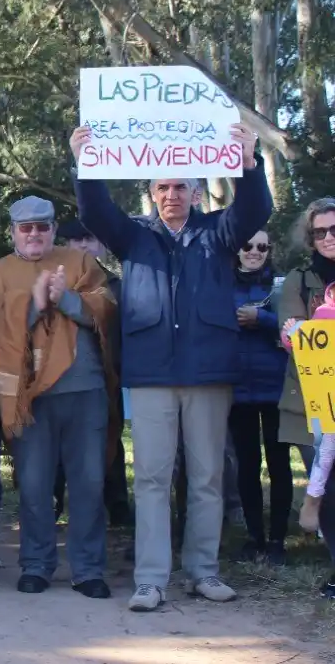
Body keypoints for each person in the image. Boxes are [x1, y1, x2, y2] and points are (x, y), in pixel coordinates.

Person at [69, 122, 271, 612]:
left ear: (197, 192)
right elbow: (95, 210)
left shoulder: (218, 232)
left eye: (181, 186)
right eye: (162, 186)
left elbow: (255, 209)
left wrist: (248, 161)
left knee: (206, 477)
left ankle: (204, 571)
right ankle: (151, 580)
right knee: (153, 478)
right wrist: (84, 161)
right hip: (153, 374)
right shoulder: (133, 237)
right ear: (151, 193)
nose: (172, 194)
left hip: (208, 373)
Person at [0, 197, 117, 599]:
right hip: (30, 396)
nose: (35, 234)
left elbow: (107, 308)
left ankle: (88, 568)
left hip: (85, 389)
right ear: (13, 232)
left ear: (54, 228)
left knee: (89, 482)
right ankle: (36, 564)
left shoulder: (78, 261)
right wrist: (36, 304)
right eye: (26, 228)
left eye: (42, 226)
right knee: (35, 485)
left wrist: (69, 300)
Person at [278, 198, 335, 600]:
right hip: (313, 401)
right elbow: (289, 336)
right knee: (328, 487)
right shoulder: (298, 279)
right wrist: (295, 331)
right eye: (320, 232)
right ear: (310, 237)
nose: (328, 238)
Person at [59, 218, 131, 526]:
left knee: (108, 439)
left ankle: (116, 504)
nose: (84, 245)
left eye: (89, 238)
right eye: (76, 240)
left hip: (105, 372)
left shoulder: (114, 284)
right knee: (57, 443)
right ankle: (56, 503)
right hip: (58, 375)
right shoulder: (51, 281)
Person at [226, 229, 291, 566]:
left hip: (276, 387)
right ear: (236, 249)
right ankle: (254, 537)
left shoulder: (281, 286)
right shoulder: (221, 284)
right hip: (238, 389)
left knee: (279, 465)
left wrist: (261, 319)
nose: (254, 252)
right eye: (247, 245)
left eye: (262, 246)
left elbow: (295, 327)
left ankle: (278, 540)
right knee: (247, 466)